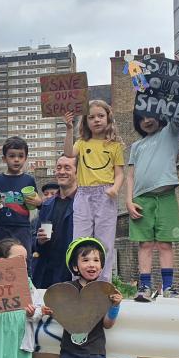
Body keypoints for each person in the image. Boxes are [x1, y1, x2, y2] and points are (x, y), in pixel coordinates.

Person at [63, 101, 124, 282]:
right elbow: (68, 152)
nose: (96, 120)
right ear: (86, 121)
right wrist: (68, 128)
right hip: (84, 194)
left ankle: (104, 284)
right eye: (91, 117)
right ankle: (77, 283)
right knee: (80, 239)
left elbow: (119, 172)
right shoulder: (82, 143)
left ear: (108, 118)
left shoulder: (114, 146)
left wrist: (115, 188)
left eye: (100, 116)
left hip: (105, 194)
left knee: (105, 241)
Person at [126, 108, 179, 301]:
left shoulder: (169, 133)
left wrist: (167, 100)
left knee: (165, 243)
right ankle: (144, 286)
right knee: (146, 244)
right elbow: (131, 175)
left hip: (166, 197)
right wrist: (128, 200)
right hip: (142, 199)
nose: (147, 121)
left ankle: (168, 286)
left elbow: (176, 113)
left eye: (150, 115)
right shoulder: (136, 146)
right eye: (141, 118)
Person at [30, 156, 77, 289]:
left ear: (77, 172)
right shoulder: (47, 205)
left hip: (71, 274)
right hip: (45, 275)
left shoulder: (83, 203)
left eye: (67, 168)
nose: (62, 171)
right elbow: (34, 239)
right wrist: (39, 241)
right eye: (58, 167)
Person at [0, 136, 40, 253]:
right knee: (1, 259)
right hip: (3, 227)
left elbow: (36, 204)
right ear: (4, 159)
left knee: (24, 260)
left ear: (26, 158)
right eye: (12, 156)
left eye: (20, 156)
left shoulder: (29, 180)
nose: (16, 159)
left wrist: (39, 202)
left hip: (23, 227)